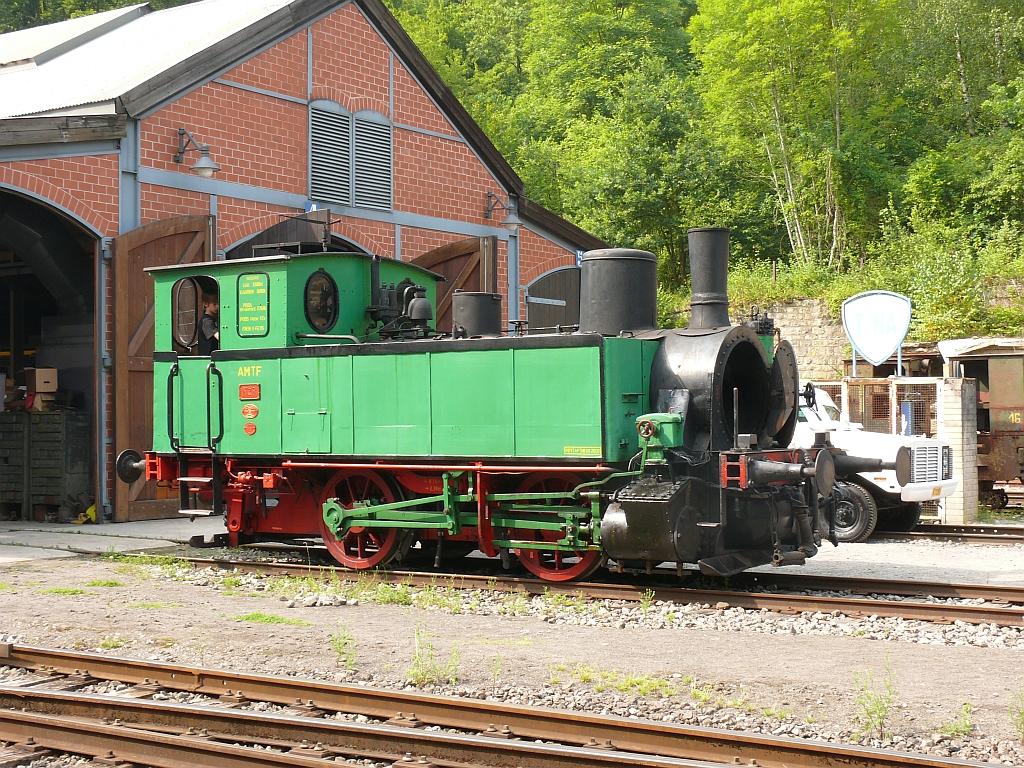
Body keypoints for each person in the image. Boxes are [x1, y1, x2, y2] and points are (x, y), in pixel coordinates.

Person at [198, 291, 220, 356]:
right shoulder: (206, 321)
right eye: (214, 304)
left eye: (218, 303)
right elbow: (218, 337)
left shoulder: (213, 319)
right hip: (208, 358)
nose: (217, 306)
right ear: (206, 304)